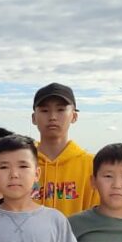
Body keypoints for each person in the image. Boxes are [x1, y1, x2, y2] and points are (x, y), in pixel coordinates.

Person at [30, 82, 97, 216]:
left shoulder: (92, 165)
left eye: (60, 110)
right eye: (44, 110)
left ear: (74, 116)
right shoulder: (22, 164)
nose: (52, 117)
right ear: (34, 118)